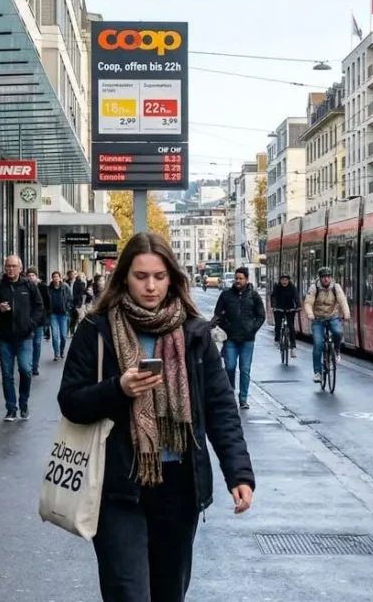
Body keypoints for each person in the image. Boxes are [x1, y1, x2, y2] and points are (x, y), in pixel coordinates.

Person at [57, 232, 254, 602]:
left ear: (172, 279)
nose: (150, 286)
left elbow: (220, 408)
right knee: (128, 592)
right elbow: (70, 401)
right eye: (140, 276)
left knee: (168, 593)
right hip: (117, 486)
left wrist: (239, 473)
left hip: (178, 486)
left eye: (159, 277)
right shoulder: (96, 330)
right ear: (123, 278)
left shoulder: (195, 333)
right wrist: (118, 389)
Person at [0, 255, 45, 422]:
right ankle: (11, 408)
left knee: (25, 369)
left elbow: (39, 306)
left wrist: (31, 323)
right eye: (8, 266)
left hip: (25, 336)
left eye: (14, 266)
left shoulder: (29, 286)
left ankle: (23, 404)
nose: (10, 269)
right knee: (7, 375)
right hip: (4, 337)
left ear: (20, 268)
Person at [211, 266, 266, 409]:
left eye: (241, 278)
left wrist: (252, 329)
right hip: (230, 338)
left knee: (245, 369)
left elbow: (261, 315)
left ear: (247, 280)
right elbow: (218, 314)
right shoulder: (226, 295)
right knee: (229, 367)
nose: (237, 281)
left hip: (247, 340)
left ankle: (243, 399)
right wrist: (224, 326)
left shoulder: (254, 295)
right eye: (236, 278)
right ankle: (230, 396)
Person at [303, 267, 350, 385]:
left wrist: (346, 313)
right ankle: (317, 373)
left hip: (332, 316)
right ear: (320, 278)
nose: (326, 279)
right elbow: (308, 303)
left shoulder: (336, 287)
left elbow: (343, 301)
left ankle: (337, 351)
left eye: (328, 277)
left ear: (331, 278)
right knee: (318, 344)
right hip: (317, 318)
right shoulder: (314, 288)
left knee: (338, 332)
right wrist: (310, 314)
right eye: (324, 277)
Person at [25, 268, 51, 376]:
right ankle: (29, 365)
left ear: (36, 276)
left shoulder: (43, 288)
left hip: (39, 320)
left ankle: (35, 366)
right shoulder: (24, 287)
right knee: (28, 343)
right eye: (29, 275)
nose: (31, 277)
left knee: (37, 343)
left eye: (33, 275)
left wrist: (46, 317)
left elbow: (48, 303)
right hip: (27, 320)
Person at [44, 271, 73, 361]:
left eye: (57, 276)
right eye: (54, 277)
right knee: (55, 335)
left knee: (63, 335)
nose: (56, 278)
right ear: (52, 278)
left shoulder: (65, 287)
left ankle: (62, 351)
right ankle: (56, 353)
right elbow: (46, 300)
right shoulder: (49, 288)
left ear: (60, 278)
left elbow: (70, 299)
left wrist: (68, 308)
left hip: (63, 314)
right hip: (53, 314)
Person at [268, 273, 299, 356]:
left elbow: (296, 296)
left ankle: (293, 347)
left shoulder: (292, 287)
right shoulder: (277, 286)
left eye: (286, 280)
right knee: (278, 325)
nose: (284, 281)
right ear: (280, 280)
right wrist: (273, 306)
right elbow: (273, 297)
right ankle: (277, 339)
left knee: (291, 327)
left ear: (288, 280)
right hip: (279, 308)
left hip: (290, 308)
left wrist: (298, 306)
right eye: (282, 280)